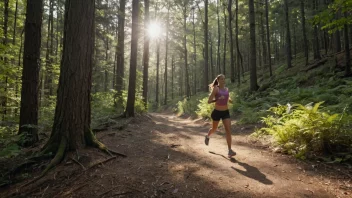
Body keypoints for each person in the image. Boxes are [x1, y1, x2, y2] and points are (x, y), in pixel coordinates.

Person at [204, 74, 236, 158]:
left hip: (225, 112)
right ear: (218, 80)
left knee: (228, 130)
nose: (223, 80)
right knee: (214, 129)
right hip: (217, 112)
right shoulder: (216, 89)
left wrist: (231, 100)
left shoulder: (226, 89)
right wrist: (217, 99)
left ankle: (229, 150)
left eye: (224, 79)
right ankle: (208, 136)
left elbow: (228, 98)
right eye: (221, 79)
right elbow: (209, 101)